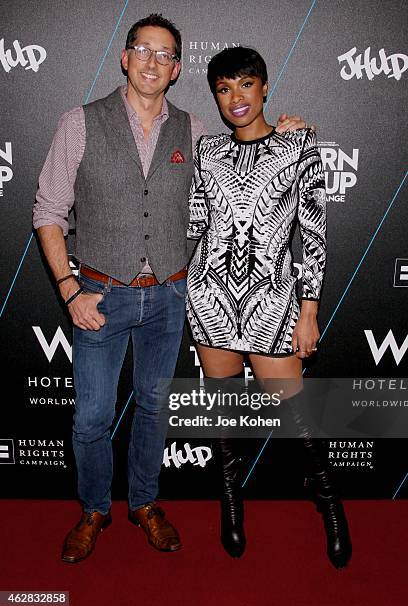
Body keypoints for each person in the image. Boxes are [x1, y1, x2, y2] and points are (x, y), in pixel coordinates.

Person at [33, 15, 309, 563]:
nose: (153, 61)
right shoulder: (80, 122)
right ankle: (93, 510)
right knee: (91, 416)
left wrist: (281, 140)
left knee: (155, 409)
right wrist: (69, 288)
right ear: (125, 57)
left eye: (165, 55)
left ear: (177, 68)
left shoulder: (195, 130)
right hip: (99, 295)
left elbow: (243, 156)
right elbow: (48, 210)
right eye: (143, 50)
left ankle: (144, 504)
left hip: (170, 296)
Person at [186, 46, 352, 568]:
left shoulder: (300, 144)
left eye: (245, 85)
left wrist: (309, 310)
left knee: (297, 417)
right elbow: (194, 224)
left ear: (263, 87)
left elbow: (314, 236)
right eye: (224, 89)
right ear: (216, 97)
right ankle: (231, 500)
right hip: (210, 296)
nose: (236, 98)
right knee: (223, 413)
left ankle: (328, 503)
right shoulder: (206, 150)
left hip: (273, 303)